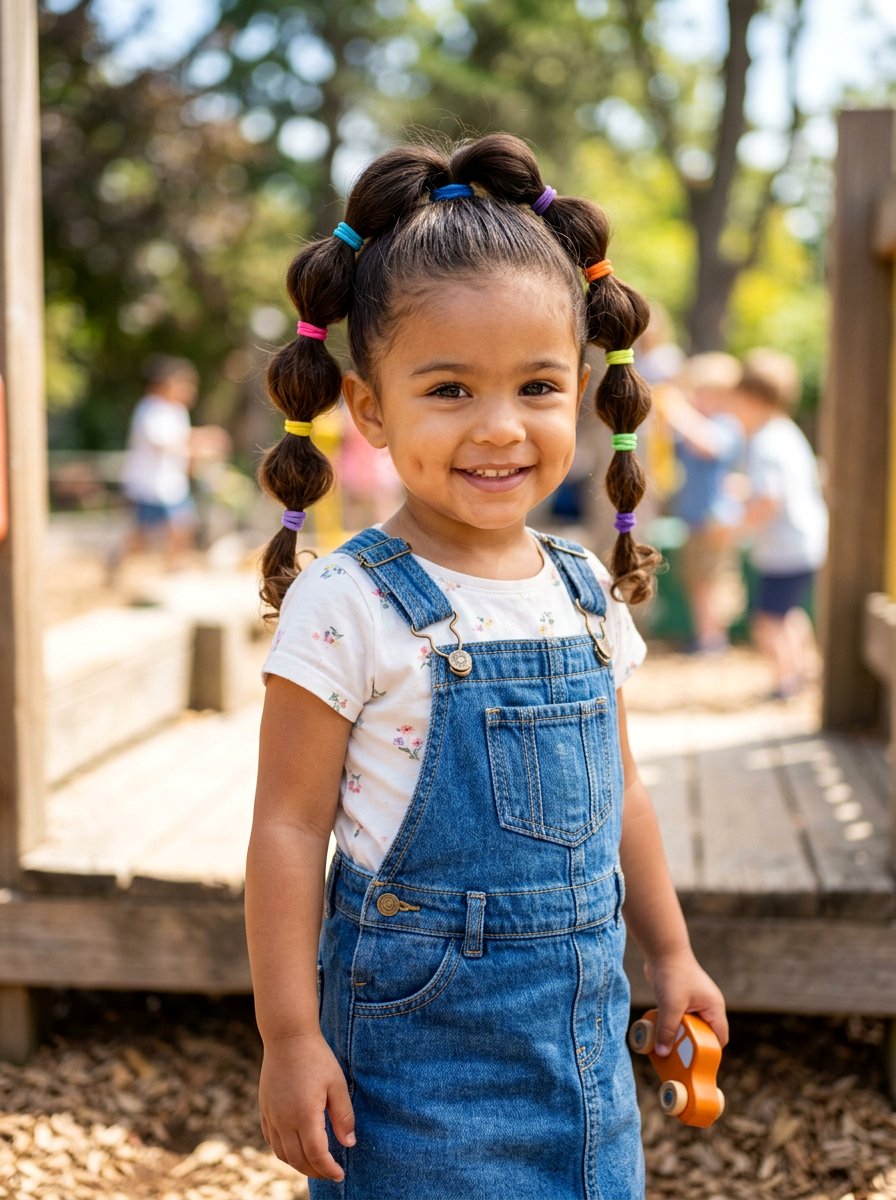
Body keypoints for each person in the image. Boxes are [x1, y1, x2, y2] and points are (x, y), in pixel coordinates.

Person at [245, 133, 728, 1199]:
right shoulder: (349, 602)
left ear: (583, 391)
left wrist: (670, 954)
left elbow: (624, 792)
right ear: (370, 407)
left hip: (583, 1056)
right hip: (411, 1069)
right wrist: (289, 1035)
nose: (500, 428)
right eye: (451, 389)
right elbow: (286, 827)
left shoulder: (582, 589)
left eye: (537, 386)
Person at [729, 348, 828, 699]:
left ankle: (787, 682)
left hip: (784, 546)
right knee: (789, 613)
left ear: (752, 398)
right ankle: (803, 670)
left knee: (767, 621)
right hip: (805, 540)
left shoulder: (765, 441)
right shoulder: (787, 432)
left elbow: (770, 499)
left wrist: (739, 528)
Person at [659, 353, 746, 653]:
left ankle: (713, 639)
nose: (696, 399)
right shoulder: (701, 422)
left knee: (713, 579)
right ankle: (706, 635)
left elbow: (707, 444)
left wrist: (677, 408)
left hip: (716, 517)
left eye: (703, 393)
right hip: (695, 516)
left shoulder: (726, 425)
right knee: (697, 579)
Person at [117, 355, 228, 569]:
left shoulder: (177, 411)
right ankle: (118, 560)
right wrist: (200, 441)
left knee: (182, 526)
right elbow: (164, 443)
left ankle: (172, 567)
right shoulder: (150, 409)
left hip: (170, 485)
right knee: (143, 535)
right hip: (149, 485)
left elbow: (180, 443)